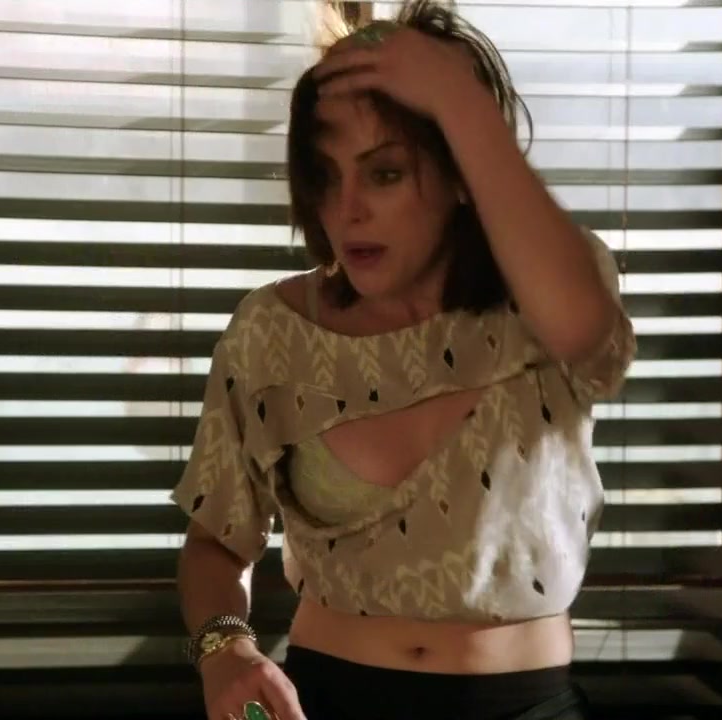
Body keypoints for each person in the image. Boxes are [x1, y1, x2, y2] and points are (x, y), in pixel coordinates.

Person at [171, 1, 636, 718]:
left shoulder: (545, 300)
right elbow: (215, 544)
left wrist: (456, 96)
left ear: (461, 172)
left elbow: (591, 334)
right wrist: (224, 646)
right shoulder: (273, 332)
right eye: (326, 176)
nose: (347, 208)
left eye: (384, 173)